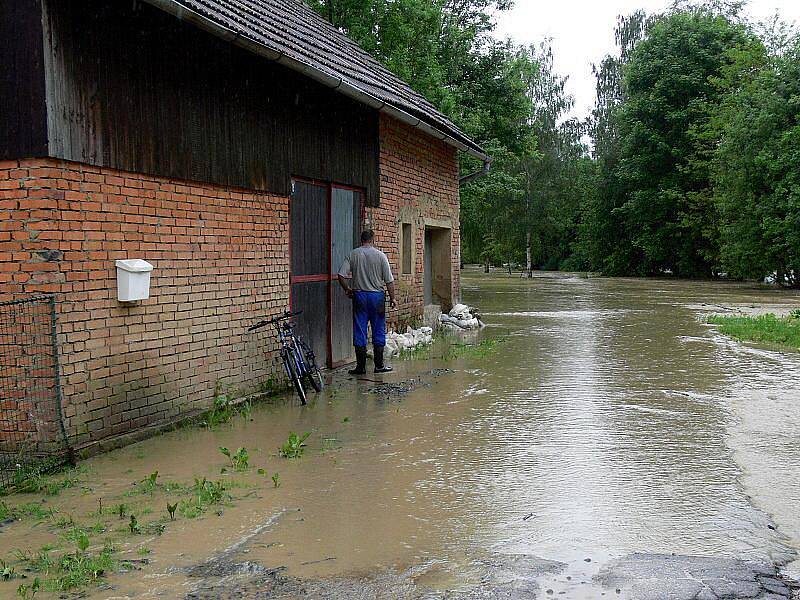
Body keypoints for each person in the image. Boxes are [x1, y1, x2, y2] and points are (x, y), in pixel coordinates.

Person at [337, 230, 397, 375]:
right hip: (377, 297)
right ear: (373, 240)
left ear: (361, 240)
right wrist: (392, 298)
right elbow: (389, 281)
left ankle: (361, 367)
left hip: (360, 296)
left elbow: (341, 275)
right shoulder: (381, 256)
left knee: (359, 330)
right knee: (378, 330)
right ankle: (379, 366)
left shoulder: (353, 254)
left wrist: (348, 289)